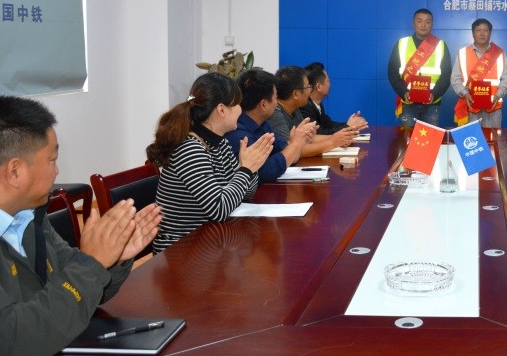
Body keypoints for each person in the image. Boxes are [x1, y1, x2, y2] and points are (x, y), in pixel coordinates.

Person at [0, 96, 161, 356]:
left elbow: (83, 292)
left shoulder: (30, 218)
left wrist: (113, 259)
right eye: (52, 160)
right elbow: (8, 346)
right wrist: (92, 264)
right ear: (15, 171)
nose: (57, 170)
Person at [148, 72, 273, 253]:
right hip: (180, 250)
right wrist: (245, 169)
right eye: (237, 104)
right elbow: (219, 208)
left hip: (211, 238)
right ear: (221, 110)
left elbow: (245, 194)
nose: (241, 110)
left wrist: (251, 167)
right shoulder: (190, 149)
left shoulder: (219, 142)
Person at [224, 69, 316, 185]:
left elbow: (290, 157)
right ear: (263, 104)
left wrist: (297, 142)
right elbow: (264, 172)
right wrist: (296, 144)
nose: (277, 103)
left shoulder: (263, 124)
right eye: (275, 97)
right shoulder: (238, 133)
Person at [269, 65, 357, 156]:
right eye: (308, 87)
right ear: (295, 94)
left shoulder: (294, 108)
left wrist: (339, 138)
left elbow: (309, 139)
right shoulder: (275, 114)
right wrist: (332, 142)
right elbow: (290, 152)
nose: (310, 90)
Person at [387, 8, 451, 126]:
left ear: (432, 25)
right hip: (408, 101)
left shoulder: (440, 45)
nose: (423, 25)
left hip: (432, 102)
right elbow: (392, 72)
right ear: (413, 23)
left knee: (430, 136)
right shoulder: (402, 43)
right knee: (407, 136)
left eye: (427, 21)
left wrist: (434, 94)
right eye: (419, 21)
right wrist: (403, 92)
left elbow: (447, 75)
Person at [450, 18, 507, 128]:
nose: (482, 34)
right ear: (473, 33)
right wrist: (465, 94)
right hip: (470, 106)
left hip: (493, 107)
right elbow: (455, 78)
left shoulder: (499, 53)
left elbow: (506, 79)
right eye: (478, 30)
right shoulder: (463, 53)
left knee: (492, 138)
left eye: (485, 30)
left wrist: (498, 95)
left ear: (490, 33)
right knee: (470, 138)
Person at [301, 62, 367, 135]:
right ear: (319, 87)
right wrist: (348, 126)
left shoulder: (317, 104)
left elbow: (329, 124)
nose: (330, 84)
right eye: (328, 81)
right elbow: (321, 133)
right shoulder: (305, 107)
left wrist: (351, 124)